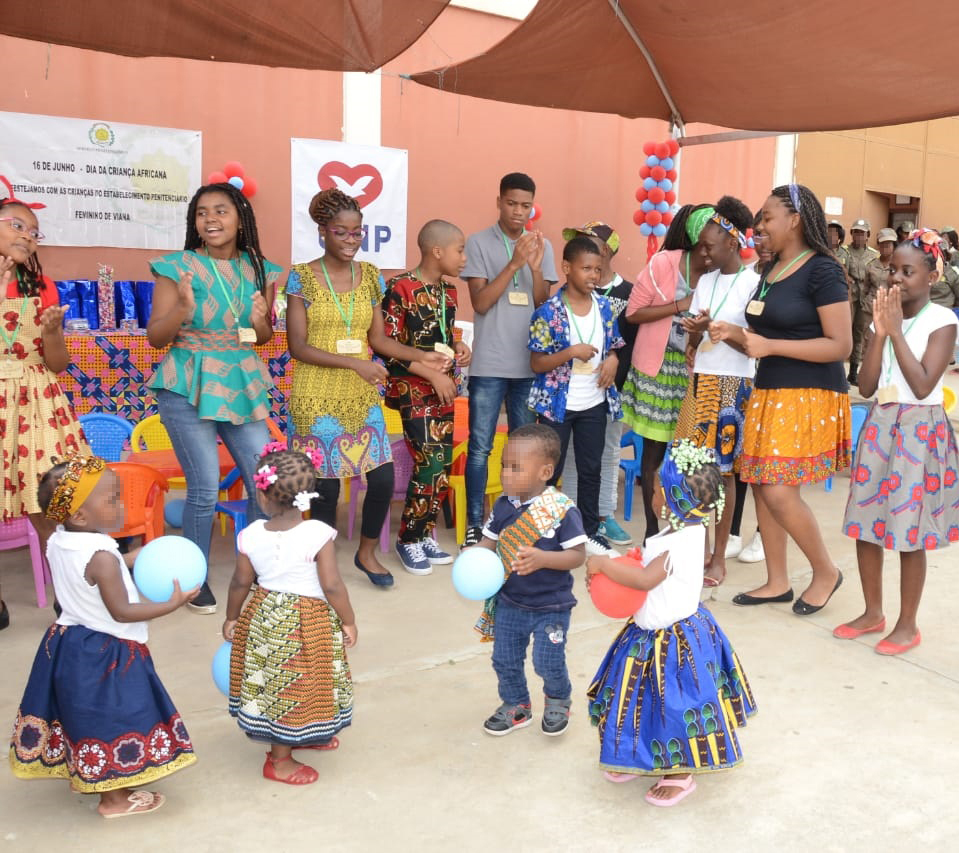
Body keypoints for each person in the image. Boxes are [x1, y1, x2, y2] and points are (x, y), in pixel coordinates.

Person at [9, 456, 198, 817]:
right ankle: (114, 800)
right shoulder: (101, 556)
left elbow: (88, 574)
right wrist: (172, 604)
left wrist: (136, 556)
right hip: (106, 652)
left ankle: (94, 776)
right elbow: (122, 611)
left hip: (69, 642)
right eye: (112, 499)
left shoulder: (61, 539)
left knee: (84, 716)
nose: (122, 504)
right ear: (80, 515)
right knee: (116, 718)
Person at [286, 189, 449, 586]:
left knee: (379, 478)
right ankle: (322, 565)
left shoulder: (371, 276)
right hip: (316, 392)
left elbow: (378, 340)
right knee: (324, 487)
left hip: (359, 394)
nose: (351, 240)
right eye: (341, 232)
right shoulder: (301, 277)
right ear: (323, 232)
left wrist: (419, 357)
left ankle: (367, 553)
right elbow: (298, 347)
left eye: (357, 232)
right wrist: (355, 363)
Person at [586, 440, 756, 807]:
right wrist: (634, 558)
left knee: (675, 706)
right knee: (643, 701)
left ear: (671, 498)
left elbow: (647, 580)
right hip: (652, 631)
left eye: (659, 486)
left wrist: (604, 564)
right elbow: (652, 567)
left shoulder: (677, 544)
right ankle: (638, 755)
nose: (653, 490)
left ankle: (680, 772)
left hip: (674, 643)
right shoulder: (680, 532)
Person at [147, 182, 282, 614]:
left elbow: (261, 338)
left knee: (266, 479)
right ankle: (194, 576)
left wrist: (262, 323)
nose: (211, 220)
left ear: (240, 218)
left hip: (239, 380)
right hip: (188, 381)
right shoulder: (178, 267)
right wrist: (182, 310)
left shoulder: (260, 269)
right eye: (202, 213)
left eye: (221, 211)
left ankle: (257, 568)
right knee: (204, 488)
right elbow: (155, 338)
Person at [838, 230, 959, 655]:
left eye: (908, 271)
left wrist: (896, 332)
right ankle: (874, 612)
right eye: (893, 270)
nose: (898, 278)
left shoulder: (943, 321)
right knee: (866, 522)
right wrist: (881, 331)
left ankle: (908, 624)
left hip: (918, 430)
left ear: (931, 277)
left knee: (909, 532)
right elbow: (868, 385)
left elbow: (924, 385)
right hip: (881, 422)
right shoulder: (882, 317)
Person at [735, 184, 851, 615]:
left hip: (809, 392)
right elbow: (765, 335)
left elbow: (840, 345)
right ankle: (777, 581)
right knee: (764, 486)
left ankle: (825, 571)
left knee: (780, 490)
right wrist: (730, 335)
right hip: (770, 389)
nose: (760, 225)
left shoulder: (823, 271)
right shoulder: (772, 269)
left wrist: (769, 347)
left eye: (767, 217)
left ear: (794, 220)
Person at [223, 446, 356, 784]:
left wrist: (231, 617)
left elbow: (240, 581)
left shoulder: (249, 534)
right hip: (307, 622)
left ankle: (306, 732)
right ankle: (279, 761)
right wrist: (349, 619)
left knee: (279, 682)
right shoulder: (318, 534)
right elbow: (333, 586)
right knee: (299, 683)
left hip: (264, 616)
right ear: (309, 496)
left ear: (263, 496)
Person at [0, 184, 88, 630]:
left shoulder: (41, 285)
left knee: (53, 498)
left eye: (34, 232)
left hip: (36, 402)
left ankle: (70, 591)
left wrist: (52, 332)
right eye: (18, 226)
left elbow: (58, 364)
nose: (28, 237)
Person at [461, 173, 558, 548]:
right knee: (481, 447)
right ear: (499, 201)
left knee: (524, 449)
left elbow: (541, 303)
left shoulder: (541, 245)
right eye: (512, 203)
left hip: (527, 365)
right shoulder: (479, 242)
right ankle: (474, 523)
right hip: (488, 364)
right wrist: (515, 263)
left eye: (525, 205)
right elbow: (482, 303)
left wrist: (534, 267)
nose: (519, 212)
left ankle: (519, 521)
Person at [471, 424, 587, 737]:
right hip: (511, 601)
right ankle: (516, 705)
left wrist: (544, 559)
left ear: (545, 471)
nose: (506, 475)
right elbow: (488, 543)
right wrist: (473, 561)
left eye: (516, 468)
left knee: (547, 661)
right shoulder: (502, 505)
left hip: (552, 605)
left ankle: (558, 698)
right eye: (503, 466)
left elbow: (578, 555)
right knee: (504, 659)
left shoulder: (562, 511)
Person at [677, 196, 760, 586]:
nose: (704, 254)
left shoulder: (753, 283)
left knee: (725, 475)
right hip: (701, 383)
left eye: (709, 247)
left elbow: (753, 345)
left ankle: (718, 557)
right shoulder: (705, 281)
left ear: (732, 242)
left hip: (734, 387)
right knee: (695, 470)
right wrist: (694, 334)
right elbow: (696, 339)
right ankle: (698, 550)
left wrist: (720, 333)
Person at [382, 220, 472, 574]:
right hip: (413, 388)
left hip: (444, 388)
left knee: (441, 467)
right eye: (459, 250)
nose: (464, 258)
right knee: (429, 463)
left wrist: (459, 346)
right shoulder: (399, 288)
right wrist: (431, 373)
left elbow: (444, 335)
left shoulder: (448, 291)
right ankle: (408, 539)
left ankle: (423, 535)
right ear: (437, 251)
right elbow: (387, 349)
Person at [621, 203, 713, 543]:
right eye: (708, 241)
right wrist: (680, 305)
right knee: (653, 457)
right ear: (697, 241)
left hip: (695, 372)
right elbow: (633, 313)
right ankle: (651, 530)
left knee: (691, 457)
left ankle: (685, 528)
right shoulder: (664, 262)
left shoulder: (719, 273)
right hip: (658, 371)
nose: (711, 249)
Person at [528, 236, 624, 556]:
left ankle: (589, 532)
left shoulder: (606, 307)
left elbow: (613, 348)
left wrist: (612, 359)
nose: (593, 275)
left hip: (594, 403)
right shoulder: (549, 311)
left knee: (590, 468)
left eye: (597, 269)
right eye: (586, 268)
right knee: (549, 472)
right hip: (558, 406)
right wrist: (570, 352)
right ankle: (545, 530)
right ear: (567, 268)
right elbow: (537, 362)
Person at [558, 221, 635, 547]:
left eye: (589, 243)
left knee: (607, 453)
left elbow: (630, 342)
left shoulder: (627, 293)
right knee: (577, 457)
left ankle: (605, 516)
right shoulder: (568, 295)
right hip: (576, 391)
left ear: (606, 251)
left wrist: (615, 365)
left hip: (612, 389)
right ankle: (575, 516)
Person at [846, 219, 879, 385]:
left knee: (860, 333)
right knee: (844, 331)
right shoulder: (845, 252)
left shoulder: (874, 255)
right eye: (856, 232)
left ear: (868, 236)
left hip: (864, 298)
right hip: (848, 296)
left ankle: (853, 372)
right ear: (851, 234)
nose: (859, 236)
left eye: (862, 233)